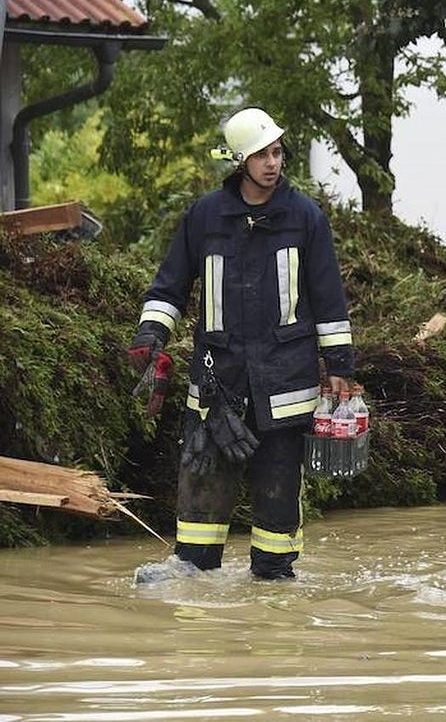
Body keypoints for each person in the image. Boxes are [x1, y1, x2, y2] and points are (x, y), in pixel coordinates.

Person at [128, 107, 355, 580]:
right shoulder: (206, 217)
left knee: (276, 523)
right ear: (239, 161)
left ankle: (273, 599)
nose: (273, 163)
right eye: (261, 154)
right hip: (217, 385)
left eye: (277, 152)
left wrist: (339, 366)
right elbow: (169, 287)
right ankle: (195, 595)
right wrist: (150, 336)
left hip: (284, 385)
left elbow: (329, 297)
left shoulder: (305, 217)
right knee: (197, 532)